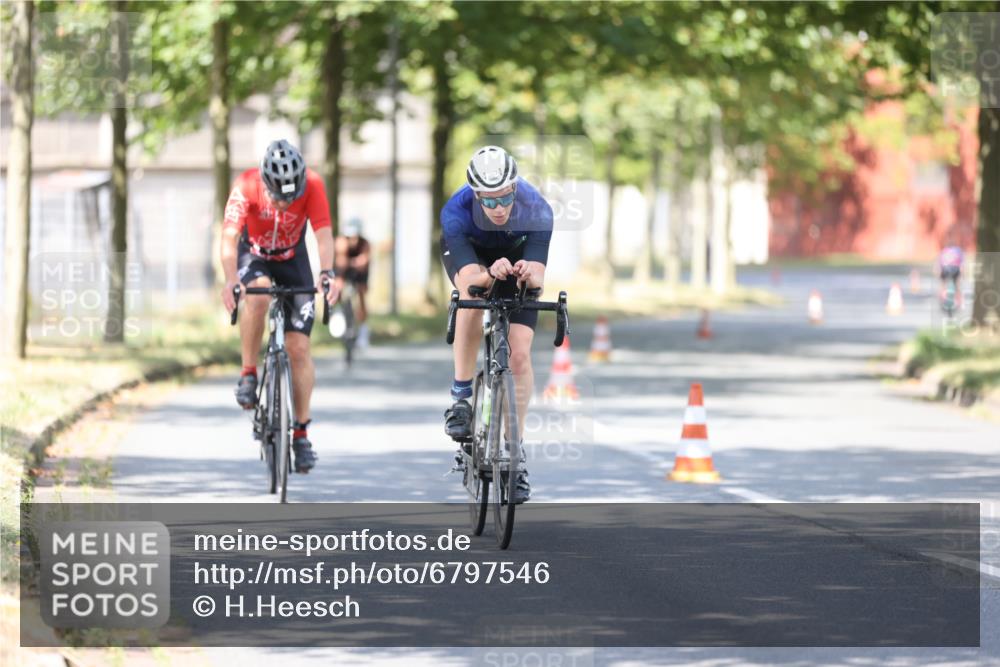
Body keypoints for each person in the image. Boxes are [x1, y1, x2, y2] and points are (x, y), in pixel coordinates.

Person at [440, 145, 553, 503]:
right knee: (471, 300)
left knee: (518, 355)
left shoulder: (537, 209)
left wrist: (524, 273)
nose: (499, 208)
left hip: (516, 266)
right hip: (476, 264)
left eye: (504, 198)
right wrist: (489, 273)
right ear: (475, 195)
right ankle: (461, 397)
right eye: (488, 202)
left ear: (515, 189)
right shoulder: (455, 212)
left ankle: (515, 456)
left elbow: (537, 278)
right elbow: (470, 280)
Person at [219, 139, 339, 473]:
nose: (284, 205)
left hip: (292, 260)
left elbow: (324, 235)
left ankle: (300, 433)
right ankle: (248, 373)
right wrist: (231, 280)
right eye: (277, 197)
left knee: (299, 348)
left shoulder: (313, 185)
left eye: (291, 198)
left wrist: (328, 273)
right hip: (253, 256)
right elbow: (229, 238)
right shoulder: (245, 185)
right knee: (257, 294)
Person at [334, 216, 371, 348]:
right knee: (337, 286)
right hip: (343, 270)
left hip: (360, 272)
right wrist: (353, 262)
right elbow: (341, 262)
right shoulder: (340, 242)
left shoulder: (365, 243)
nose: (353, 240)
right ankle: (337, 312)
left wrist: (356, 262)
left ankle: (363, 330)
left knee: (361, 292)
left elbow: (364, 261)